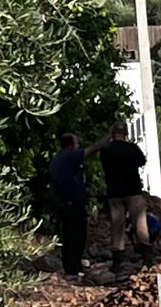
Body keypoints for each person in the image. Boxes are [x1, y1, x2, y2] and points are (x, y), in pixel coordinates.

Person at [49, 129, 111, 282]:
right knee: (75, 235)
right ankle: (73, 270)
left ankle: (73, 267)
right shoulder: (69, 156)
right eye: (77, 143)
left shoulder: (58, 158)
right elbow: (94, 148)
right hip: (72, 203)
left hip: (64, 202)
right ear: (70, 146)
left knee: (70, 235)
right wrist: (110, 135)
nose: (79, 146)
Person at [101, 121, 152, 274]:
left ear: (112, 133)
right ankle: (147, 259)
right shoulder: (131, 148)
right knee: (140, 224)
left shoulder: (106, 150)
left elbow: (104, 165)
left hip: (114, 193)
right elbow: (142, 161)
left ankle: (117, 262)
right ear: (126, 133)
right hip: (133, 191)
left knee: (117, 227)